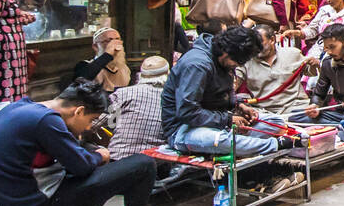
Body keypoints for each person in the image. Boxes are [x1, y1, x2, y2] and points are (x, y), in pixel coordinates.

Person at [0, 79, 174, 206]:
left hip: (8, 204)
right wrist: (100, 156)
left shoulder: (24, 107)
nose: (89, 127)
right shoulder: (47, 122)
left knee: (95, 161)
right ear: (79, 111)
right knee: (143, 164)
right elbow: (81, 167)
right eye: (91, 120)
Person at [161, 25, 300, 157]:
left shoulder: (222, 60)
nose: (237, 67)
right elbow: (187, 112)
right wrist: (228, 119)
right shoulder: (197, 65)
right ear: (226, 54)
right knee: (216, 140)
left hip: (217, 122)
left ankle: (245, 145)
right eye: (238, 63)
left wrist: (238, 105)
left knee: (276, 123)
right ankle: (273, 145)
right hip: (184, 130)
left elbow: (222, 95)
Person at [239, 23, 318, 119]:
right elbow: (233, 83)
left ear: (272, 40)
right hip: (266, 113)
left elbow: (311, 72)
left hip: (296, 108)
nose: (256, 47)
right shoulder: (246, 61)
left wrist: (314, 64)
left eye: (259, 43)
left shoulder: (292, 53)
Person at [108, 55, 170, 160]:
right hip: (154, 162)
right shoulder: (172, 99)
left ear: (141, 75)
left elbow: (110, 123)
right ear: (168, 74)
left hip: (117, 158)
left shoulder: (122, 93)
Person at [73, 26, 131, 94]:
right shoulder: (85, 66)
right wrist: (108, 54)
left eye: (117, 40)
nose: (114, 44)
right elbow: (83, 80)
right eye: (108, 41)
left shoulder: (124, 68)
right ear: (95, 47)